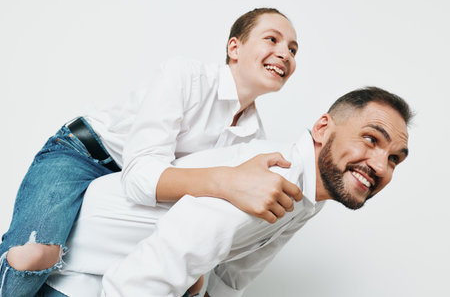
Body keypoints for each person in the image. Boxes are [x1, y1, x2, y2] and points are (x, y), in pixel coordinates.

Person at [0, 8, 302, 297]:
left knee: (186, 283)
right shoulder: (185, 75)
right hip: (83, 155)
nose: (284, 54)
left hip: (131, 199)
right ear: (234, 48)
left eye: (293, 50)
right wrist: (228, 181)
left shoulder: (254, 140)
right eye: (272, 39)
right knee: (34, 255)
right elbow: (141, 176)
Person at [43, 87, 413, 297]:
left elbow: (230, 278)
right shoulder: (268, 175)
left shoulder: (311, 197)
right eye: (370, 139)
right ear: (321, 128)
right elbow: (139, 281)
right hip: (66, 274)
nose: (380, 166)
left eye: (395, 158)